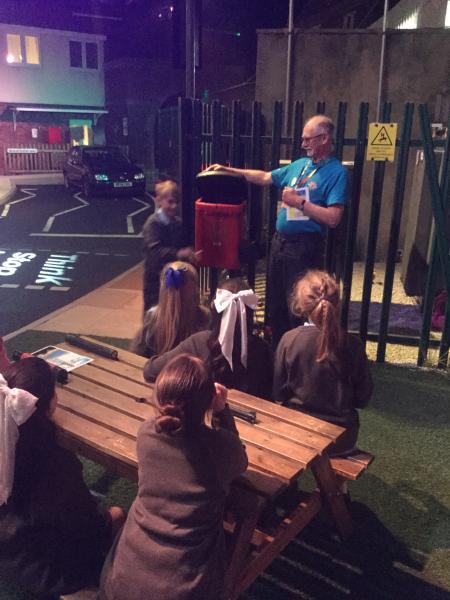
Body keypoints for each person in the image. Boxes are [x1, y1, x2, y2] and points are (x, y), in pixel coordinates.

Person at [99, 354, 248, 600]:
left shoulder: (146, 432)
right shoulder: (219, 448)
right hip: (183, 586)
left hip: (122, 577)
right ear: (207, 402)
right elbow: (240, 460)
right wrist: (222, 412)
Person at [206, 114, 348, 347]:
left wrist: (299, 203)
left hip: (304, 247)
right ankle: (277, 353)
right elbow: (264, 177)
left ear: (324, 138)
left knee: (298, 306)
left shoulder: (337, 172)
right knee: (276, 306)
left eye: (308, 139)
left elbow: (334, 218)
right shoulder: (300, 165)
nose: (303, 144)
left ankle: (297, 352)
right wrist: (229, 170)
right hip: (280, 243)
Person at [0, 357, 125, 598]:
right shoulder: (54, 461)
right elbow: (86, 522)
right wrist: (106, 519)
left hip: (9, 551)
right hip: (49, 569)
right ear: (48, 406)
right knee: (118, 515)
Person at [273, 270, 372, 456]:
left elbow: (279, 393)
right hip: (341, 439)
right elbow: (363, 398)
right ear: (338, 304)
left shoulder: (289, 340)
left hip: (297, 432)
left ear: (300, 305)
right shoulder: (353, 345)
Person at [144, 277, 273, 400]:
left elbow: (151, 371)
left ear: (214, 309)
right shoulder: (262, 350)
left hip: (201, 414)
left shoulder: (198, 343)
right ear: (249, 312)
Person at [130, 260, 210, 358]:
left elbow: (136, 356)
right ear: (193, 290)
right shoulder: (203, 317)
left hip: (158, 367)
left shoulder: (152, 318)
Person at [142, 180, 200, 311]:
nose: (174, 206)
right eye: (170, 202)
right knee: (155, 314)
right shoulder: (153, 224)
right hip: (156, 282)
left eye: (176, 202)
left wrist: (190, 255)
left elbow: (183, 245)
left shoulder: (177, 223)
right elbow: (154, 253)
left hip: (173, 279)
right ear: (159, 201)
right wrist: (180, 253)